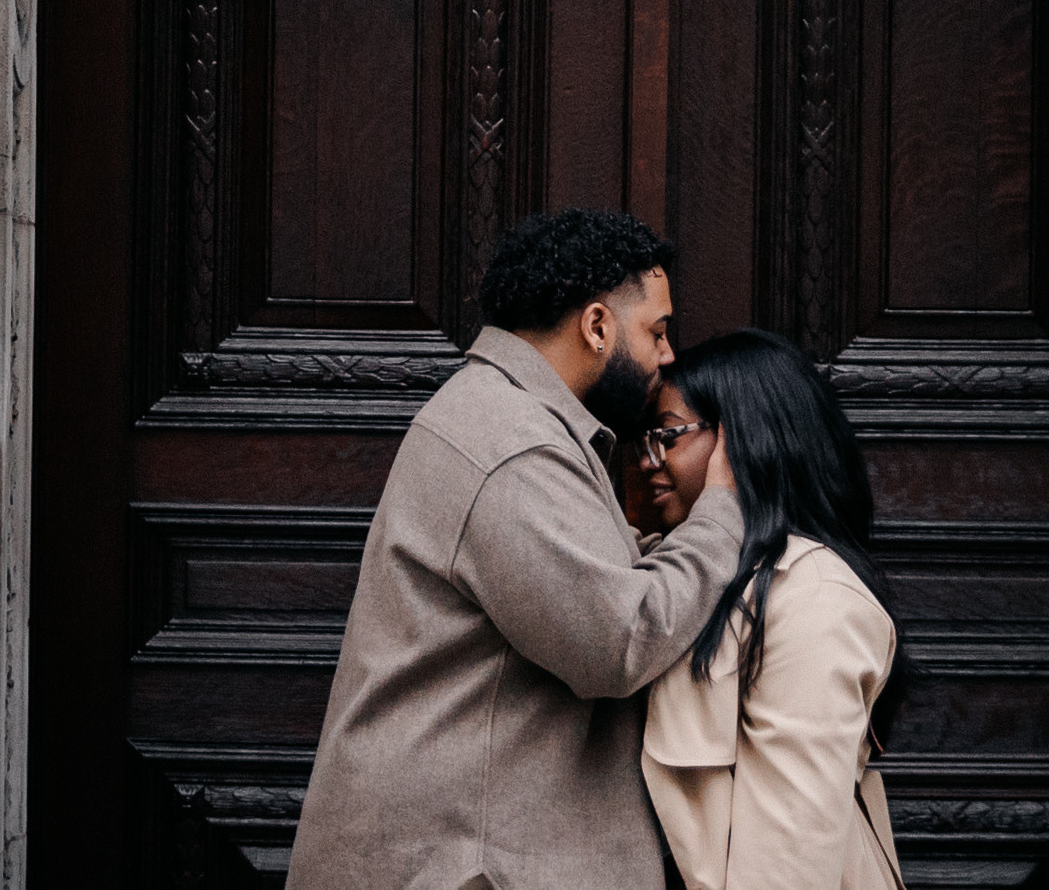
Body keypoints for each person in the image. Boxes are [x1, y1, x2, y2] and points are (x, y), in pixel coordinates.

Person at [286, 208, 745, 890]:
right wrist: (724, 511)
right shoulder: (510, 441)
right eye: (656, 330)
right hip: (464, 868)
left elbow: (589, 576)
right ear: (596, 326)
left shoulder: (509, 418)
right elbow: (614, 639)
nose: (667, 354)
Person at [638, 329, 908, 890]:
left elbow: (787, 867)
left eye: (667, 435)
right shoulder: (689, 574)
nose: (648, 460)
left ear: (741, 440)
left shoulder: (812, 596)